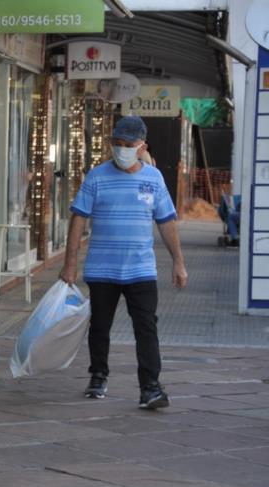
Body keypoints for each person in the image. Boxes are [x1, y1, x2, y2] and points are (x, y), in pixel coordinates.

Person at [60, 115, 188, 410]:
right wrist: (70, 264)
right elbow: (78, 218)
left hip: (141, 269)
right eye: (116, 144)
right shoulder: (97, 176)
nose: (121, 149)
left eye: (128, 144)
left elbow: (167, 222)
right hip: (102, 268)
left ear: (142, 145)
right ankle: (98, 375)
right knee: (99, 326)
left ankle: (150, 387)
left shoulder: (153, 179)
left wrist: (178, 262)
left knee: (146, 326)